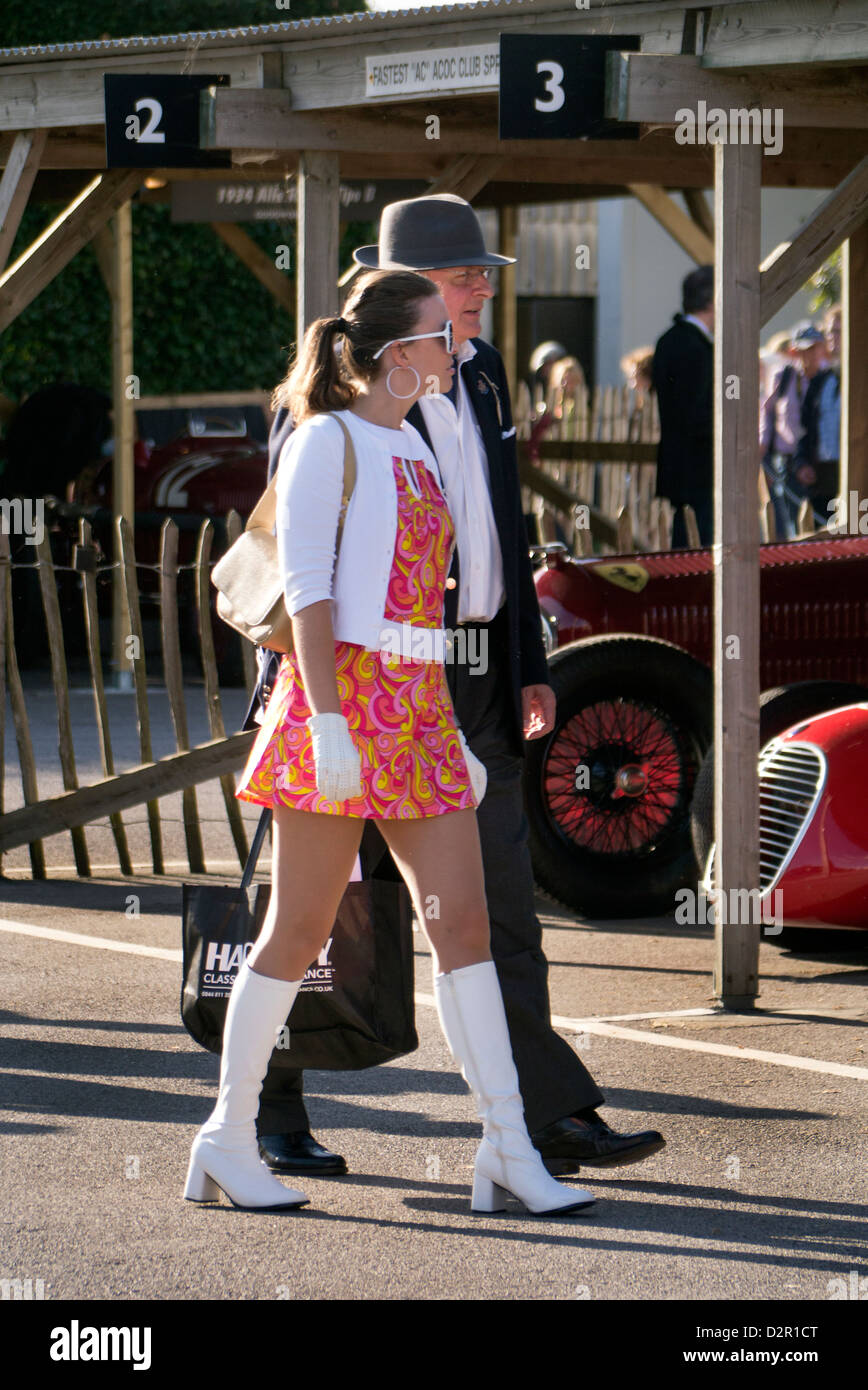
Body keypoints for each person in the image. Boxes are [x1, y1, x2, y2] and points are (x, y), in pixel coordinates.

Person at [249, 194, 665, 1183]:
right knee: (320, 913)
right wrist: (307, 699)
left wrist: (526, 662)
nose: (484, 287)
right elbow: (288, 564)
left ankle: (544, 1115)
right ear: (402, 293)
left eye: (482, 273)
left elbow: (501, 539)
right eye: (464, 274)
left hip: (468, 681)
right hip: (358, 682)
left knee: (496, 907)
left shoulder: (478, 382)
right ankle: (265, 1111)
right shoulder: (329, 397)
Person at [185, 268, 596, 1217]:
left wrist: (446, 726)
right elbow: (313, 590)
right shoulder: (326, 439)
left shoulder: (413, 438)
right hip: (344, 700)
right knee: (298, 927)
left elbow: (426, 600)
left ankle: (506, 1147)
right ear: (394, 353)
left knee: (464, 929)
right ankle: (227, 1134)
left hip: (418, 704)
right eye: (439, 337)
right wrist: (326, 718)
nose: (455, 350)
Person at [652, 265, 714, 548]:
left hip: (678, 463)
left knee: (684, 539)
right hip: (700, 465)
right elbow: (696, 412)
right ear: (713, 302)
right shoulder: (696, 348)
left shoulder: (668, 341)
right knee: (696, 545)